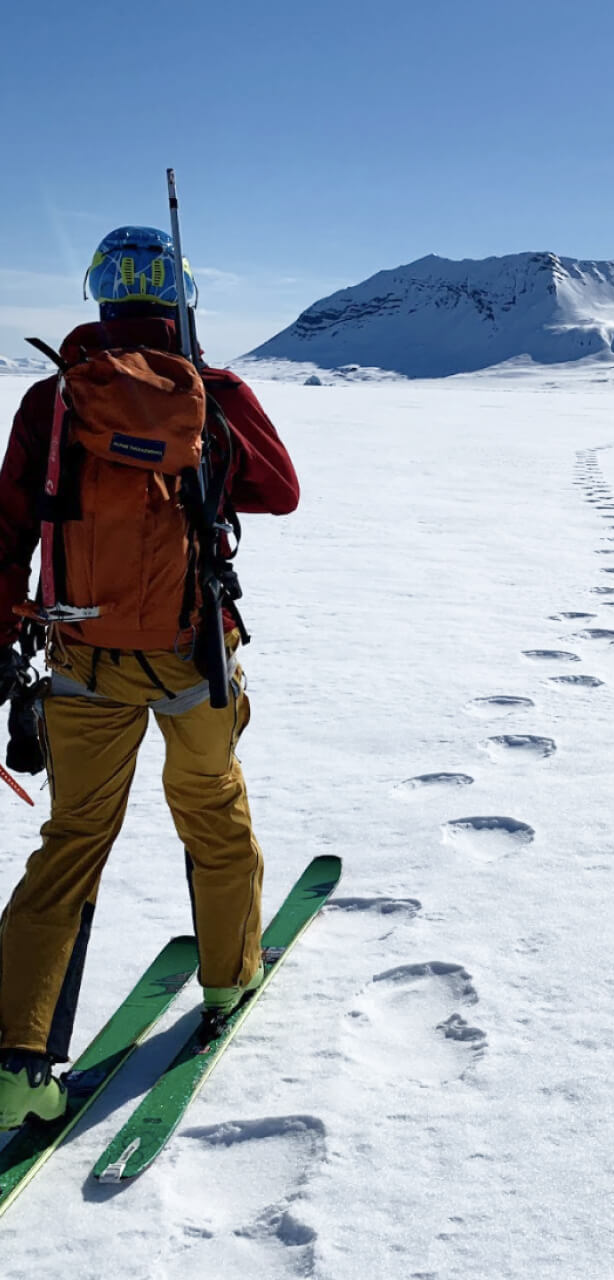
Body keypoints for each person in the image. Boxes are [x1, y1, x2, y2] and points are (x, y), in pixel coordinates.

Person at [0, 226, 300, 1129]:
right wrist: (207, 423)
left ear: (100, 297)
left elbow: (8, 526)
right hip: (192, 656)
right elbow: (280, 491)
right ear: (180, 296)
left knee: (73, 843)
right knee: (212, 806)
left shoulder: (54, 403)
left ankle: (16, 1061)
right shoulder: (212, 393)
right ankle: (228, 978)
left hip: (81, 661)